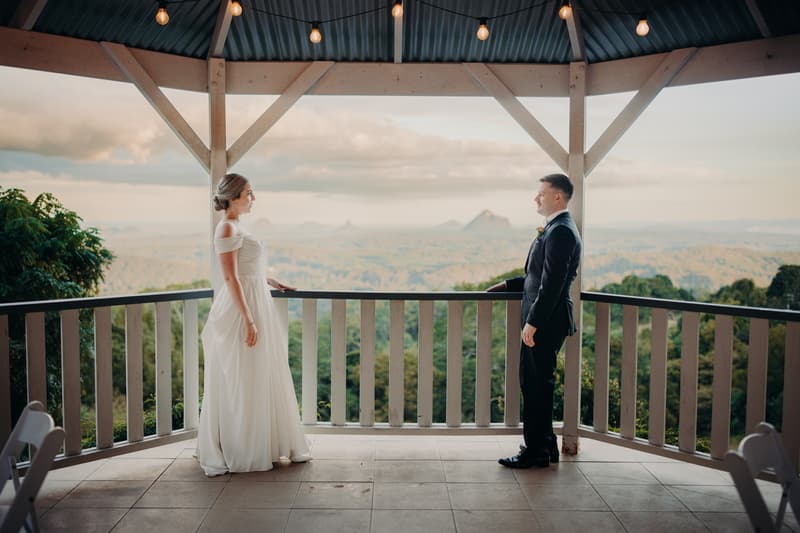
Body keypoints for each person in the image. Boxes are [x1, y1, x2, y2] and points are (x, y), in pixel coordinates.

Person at [197, 173, 311, 476]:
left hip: (253, 299)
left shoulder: (235, 227)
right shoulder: (225, 228)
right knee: (242, 377)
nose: (253, 197)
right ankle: (243, 446)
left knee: (258, 373)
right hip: (240, 310)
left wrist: (270, 280)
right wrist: (248, 319)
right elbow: (231, 277)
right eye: (248, 192)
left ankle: (264, 442)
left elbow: (247, 269)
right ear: (233, 197)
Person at [487, 173, 582, 468]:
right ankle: (546, 446)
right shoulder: (556, 228)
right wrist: (505, 285)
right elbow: (535, 277)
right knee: (537, 383)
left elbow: (552, 284)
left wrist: (533, 322)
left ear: (557, 197)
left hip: (545, 321)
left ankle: (536, 451)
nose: (536, 198)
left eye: (541, 192)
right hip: (545, 319)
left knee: (535, 384)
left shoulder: (561, 231)